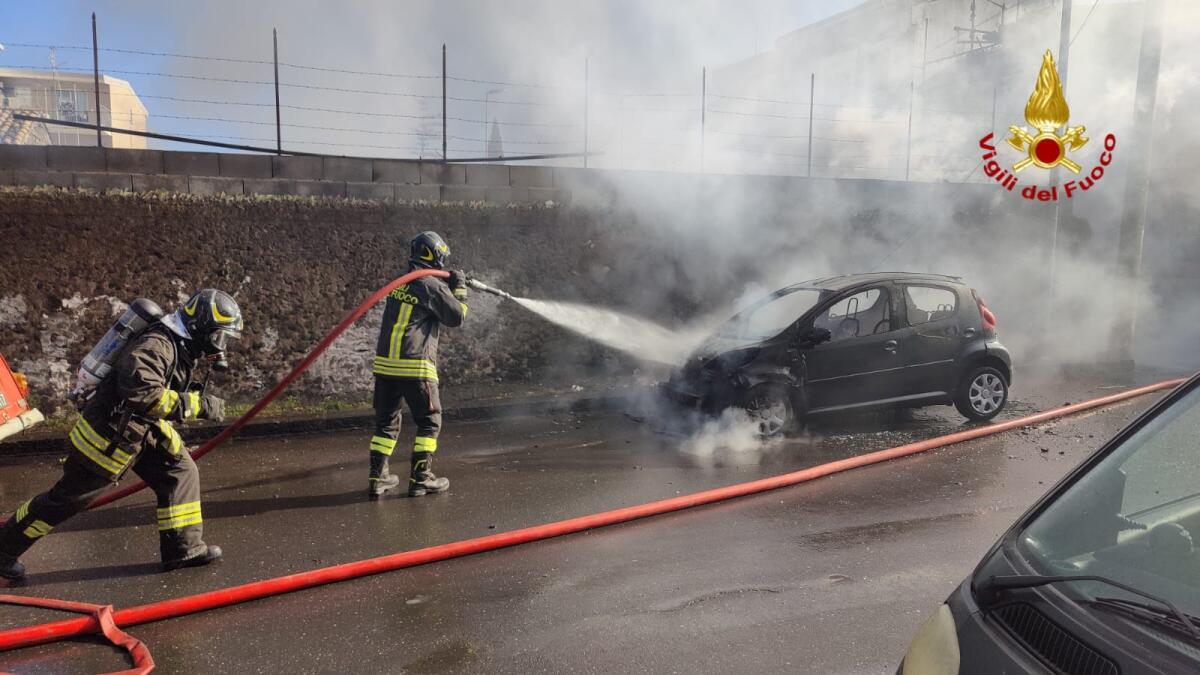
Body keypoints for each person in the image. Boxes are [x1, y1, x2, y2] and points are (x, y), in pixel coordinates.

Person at [0, 289, 243, 580]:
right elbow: (143, 395)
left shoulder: (179, 344)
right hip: (106, 438)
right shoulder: (157, 345)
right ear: (201, 327)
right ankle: (3, 550)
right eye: (218, 336)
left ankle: (183, 550)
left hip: (138, 430)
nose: (220, 345)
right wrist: (198, 405)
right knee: (66, 500)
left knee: (179, 470)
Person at [368, 231, 468, 499]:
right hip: (415, 366)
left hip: (386, 367)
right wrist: (459, 288)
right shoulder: (431, 285)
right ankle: (421, 479)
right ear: (433, 256)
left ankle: (378, 478)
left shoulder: (400, 283)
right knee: (429, 422)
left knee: (386, 424)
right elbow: (457, 316)